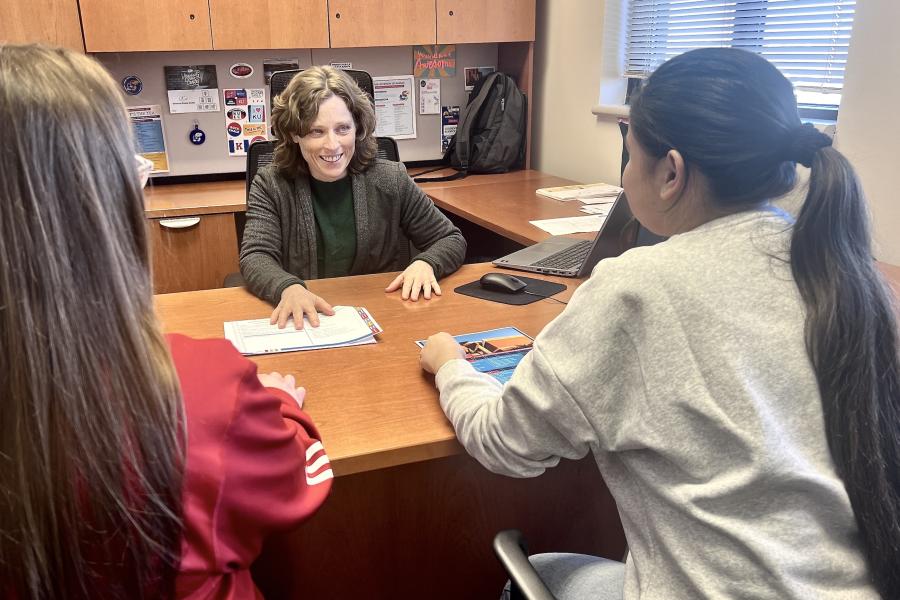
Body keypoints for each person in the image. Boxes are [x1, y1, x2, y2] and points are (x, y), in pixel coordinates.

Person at [420, 47, 900, 599]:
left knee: (539, 572)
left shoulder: (637, 287)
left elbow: (505, 441)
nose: (626, 175)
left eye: (628, 155)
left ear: (671, 171)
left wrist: (452, 366)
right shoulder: (843, 272)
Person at [0, 45, 333, 599]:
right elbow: (299, 483)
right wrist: (279, 403)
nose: (332, 142)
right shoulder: (202, 391)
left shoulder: (388, 177)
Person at [241, 66, 466, 329]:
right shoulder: (272, 184)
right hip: (308, 320)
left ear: (357, 128)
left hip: (381, 315)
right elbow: (255, 256)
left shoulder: (390, 178)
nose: (333, 145)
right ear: (294, 133)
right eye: (316, 131)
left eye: (343, 129)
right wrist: (287, 287)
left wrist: (427, 263)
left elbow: (450, 239)